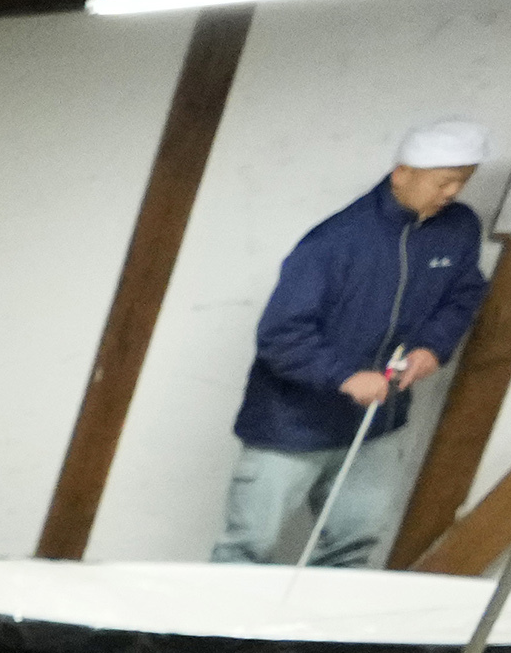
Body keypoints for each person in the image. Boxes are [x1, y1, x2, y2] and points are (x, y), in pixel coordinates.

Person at [209, 117, 492, 572]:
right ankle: (216, 642)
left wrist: (432, 347)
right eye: (444, 182)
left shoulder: (459, 228)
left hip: (378, 426)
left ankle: (319, 643)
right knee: (247, 550)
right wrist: (342, 376)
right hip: (290, 426)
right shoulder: (335, 241)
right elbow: (281, 335)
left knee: (352, 548)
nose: (452, 193)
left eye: (461, 182)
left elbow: (464, 293)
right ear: (403, 173)